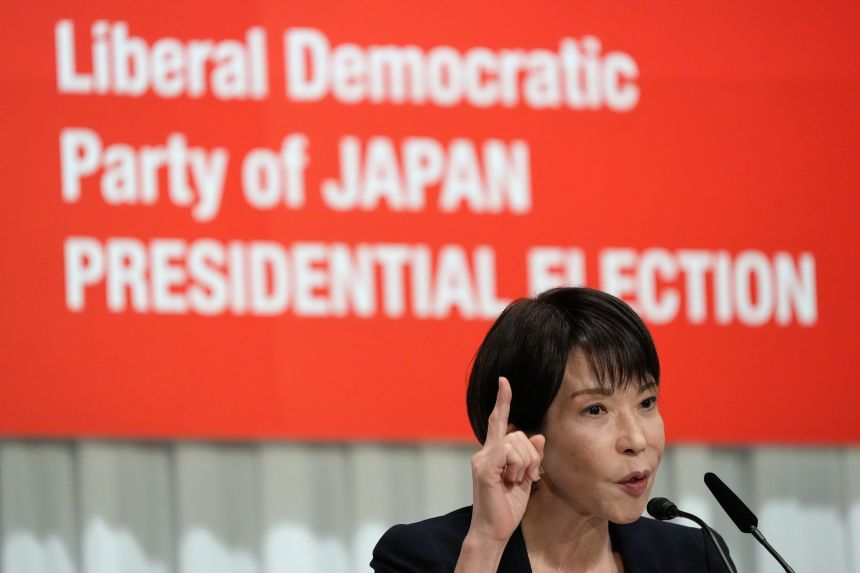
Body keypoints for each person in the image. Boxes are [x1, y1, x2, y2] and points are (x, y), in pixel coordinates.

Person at [370, 287, 733, 572]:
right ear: (523, 440)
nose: (636, 440)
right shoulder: (427, 557)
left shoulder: (693, 557)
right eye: (595, 409)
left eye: (646, 403)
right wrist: (486, 544)